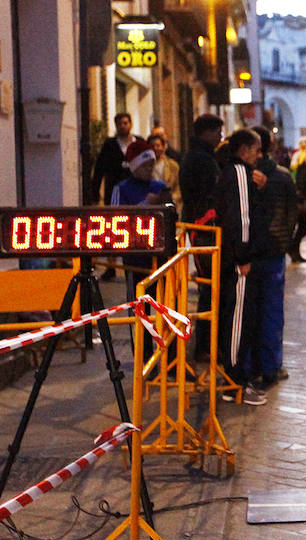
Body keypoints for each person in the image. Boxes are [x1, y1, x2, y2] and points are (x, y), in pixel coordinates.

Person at [218, 128, 268, 405]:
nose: (259, 156)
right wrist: (243, 256)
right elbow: (242, 218)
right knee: (237, 318)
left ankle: (237, 379)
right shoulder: (238, 173)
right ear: (244, 150)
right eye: (256, 150)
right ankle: (234, 383)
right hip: (239, 262)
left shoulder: (239, 174)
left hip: (238, 258)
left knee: (240, 318)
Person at [110, 140, 171, 357]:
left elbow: (172, 219)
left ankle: (167, 355)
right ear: (134, 166)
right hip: (136, 260)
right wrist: (146, 205)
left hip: (160, 258)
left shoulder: (160, 187)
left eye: (150, 165)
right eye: (144, 166)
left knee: (166, 308)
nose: (148, 170)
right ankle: (142, 356)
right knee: (139, 310)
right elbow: (116, 220)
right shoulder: (122, 189)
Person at [248, 125, 299, 386]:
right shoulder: (283, 176)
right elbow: (294, 211)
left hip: (249, 253)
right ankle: (271, 365)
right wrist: (286, 240)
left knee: (249, 310)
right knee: (272, 312)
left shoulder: (244, 176)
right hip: (274, 251)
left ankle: (250, 365)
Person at [179, 113, 224, 362]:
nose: (220, 136)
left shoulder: (200, 157)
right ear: (205, 132)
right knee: (208, 287)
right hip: (203, 229)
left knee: (208, 287)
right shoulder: (201, 160)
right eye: (217, 132)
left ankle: (205, 344)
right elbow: (206, 195)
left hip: (200, 227)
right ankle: (204, 346)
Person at [92, 112, 145, 279]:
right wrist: (94, 191)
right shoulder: (109, 145)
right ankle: (111, 265)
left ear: (130, 124)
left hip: (136, 192)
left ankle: (135, 263)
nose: (123, 126)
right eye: (119, 124)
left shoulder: (139, 143)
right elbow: (99, 168)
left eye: (125, 123)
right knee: (112, 229)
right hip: (114, 192)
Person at [148, 133, 180, 206]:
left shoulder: (173, 166)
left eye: (158, 146)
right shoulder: (144, 167)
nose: (155, 148)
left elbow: (178, 187)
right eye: (152, 146)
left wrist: (172, 198)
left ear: (163, 147)